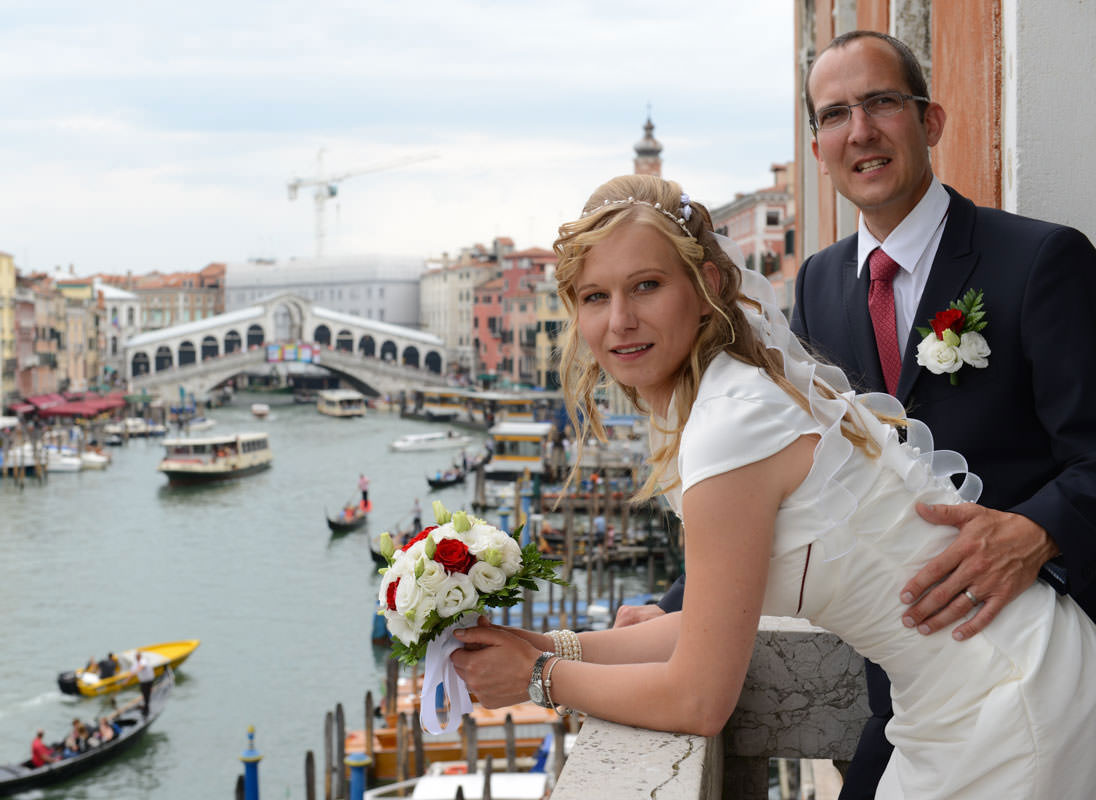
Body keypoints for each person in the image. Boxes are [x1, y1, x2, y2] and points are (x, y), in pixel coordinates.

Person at [449, 174, 1096, 799]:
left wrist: (539, 678)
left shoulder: (731, 425)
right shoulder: (732, 394)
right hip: (972, 692)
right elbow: (705, 620)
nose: (619, 320)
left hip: (1007, 700)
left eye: (645, 286)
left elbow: (698, 699)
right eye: (594, 297)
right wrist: (554, 644)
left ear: (704, 285)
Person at [792, 31, 1096, 798]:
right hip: (906, 686)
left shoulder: (1041, 259)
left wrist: (1037, 531)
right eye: (834, 115)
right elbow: (799, 475)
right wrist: (672, 605)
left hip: (1036, 662)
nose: (860, 130)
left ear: (929, 122)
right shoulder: (819, 285)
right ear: (821, 146)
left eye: (881, 103)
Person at [133, 651, 154, 717]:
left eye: (137, 656)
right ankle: (146, 707)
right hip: (143, 681)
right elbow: (132, 671)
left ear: (140, 656)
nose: (137, 657)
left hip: (148, 681)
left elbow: (142, 666)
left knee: (146, 694)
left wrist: (137, 670)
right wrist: (126, 680)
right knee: (145, 694)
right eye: (136, 657)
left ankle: (146, 710)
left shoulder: (143, 661)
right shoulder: (136, 663)